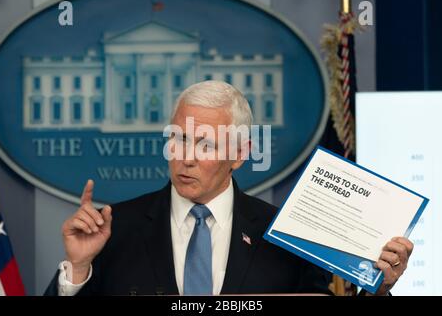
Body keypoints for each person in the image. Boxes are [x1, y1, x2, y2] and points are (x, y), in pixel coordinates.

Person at [44, 81, 413, 296]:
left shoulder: (284, 236)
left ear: (240, 154)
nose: (185, 157)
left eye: (204, 144)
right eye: (178, 139)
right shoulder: (115, 228)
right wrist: (77, 270)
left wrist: (378, 288)